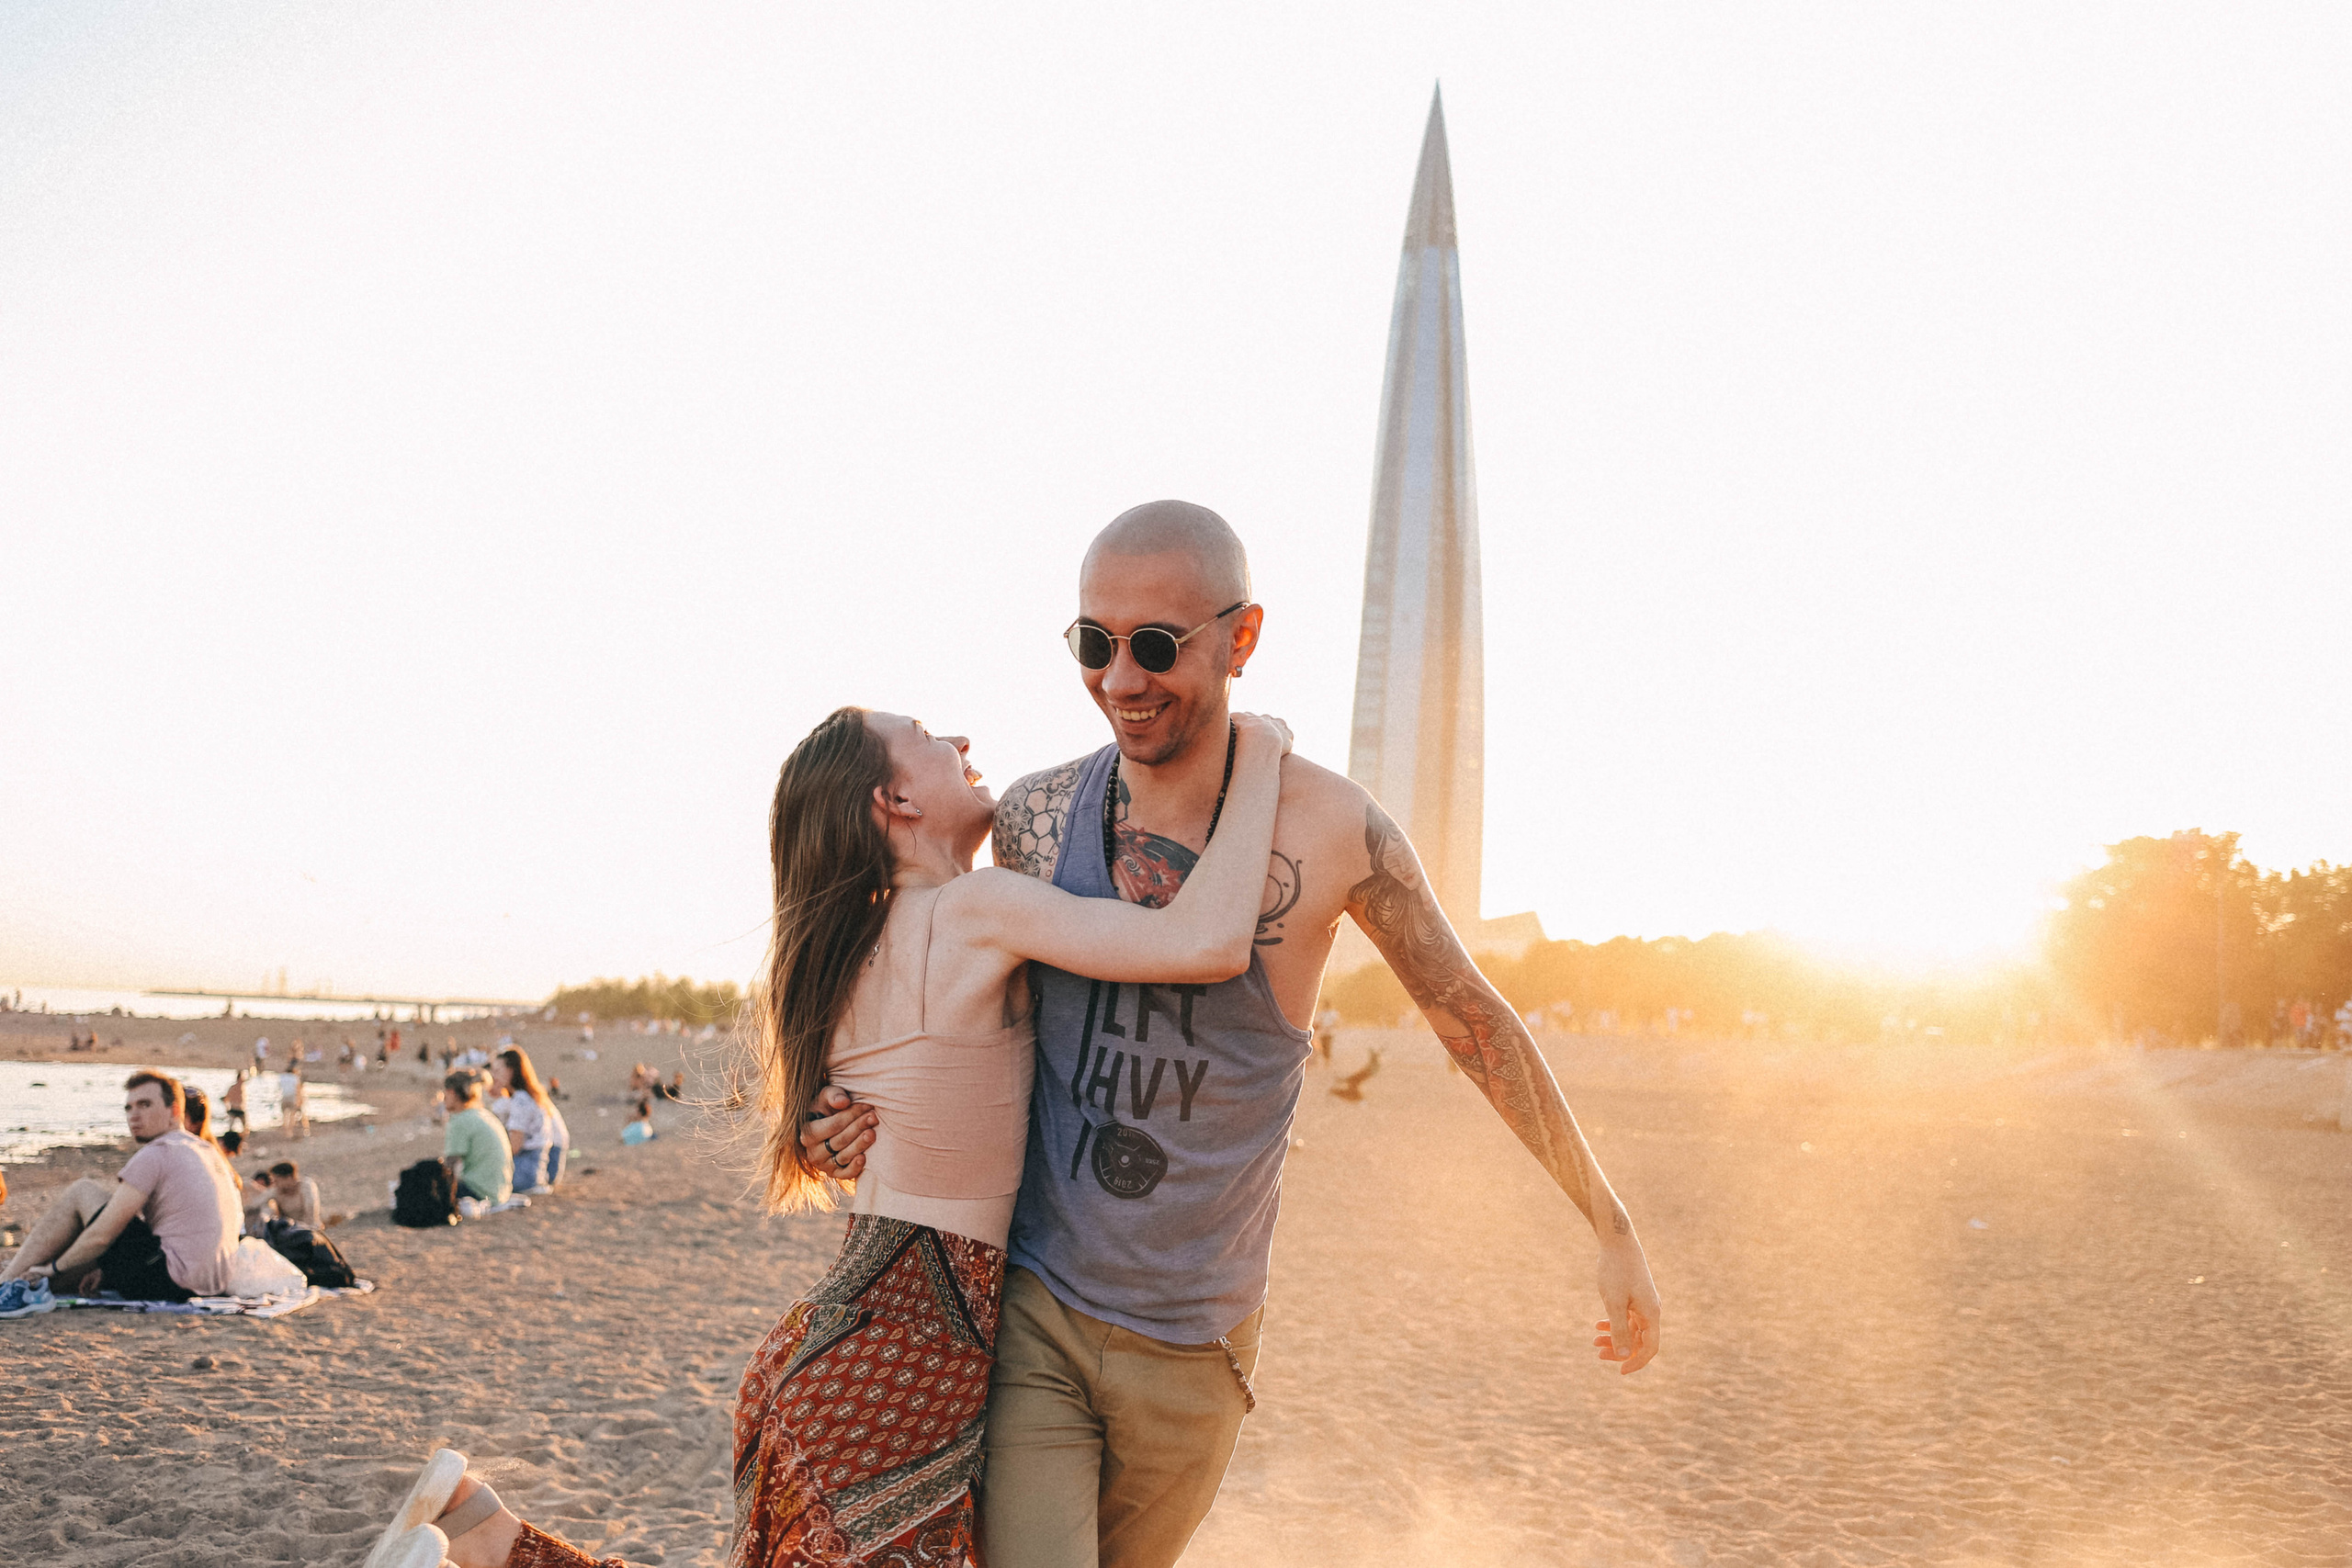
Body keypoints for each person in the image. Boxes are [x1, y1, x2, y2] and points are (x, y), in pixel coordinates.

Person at [802, 501, 1661, 1567]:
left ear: (1240, 639)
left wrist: (1609, 1223)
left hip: (1200, 1341)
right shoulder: (1030, 820)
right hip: (1037, 1312)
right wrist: (826, 1113)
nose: (1121, 680)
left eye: (1156, 646)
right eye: (1094, 645)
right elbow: (921, 981)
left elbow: (1471, 1020)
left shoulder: (1335, 830)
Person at [366, 703, 1291, 1568]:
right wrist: (1259, 754)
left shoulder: (851, 951)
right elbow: (1204, 945)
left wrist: (816, 1132)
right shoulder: (971, 910)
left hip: (840, 1351)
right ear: (893, 800)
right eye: (928, 735)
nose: (962, 740)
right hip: (901, 1364)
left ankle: (485, 1531)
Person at [0, 1071, 242, 1309]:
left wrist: (53, 1268)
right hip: (213, 1284)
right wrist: (104, 1270)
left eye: (145, 1105)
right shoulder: (208, 1151)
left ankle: (5, 1282)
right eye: (129, 1108)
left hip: (169, 1281)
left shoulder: (157, 1152)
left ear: (175, 1110)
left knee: (83, 1192)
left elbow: (102, 1235)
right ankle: (29, 1282)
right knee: (102, 1235)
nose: (134, 1116)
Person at [439, 1073, 516, 1215]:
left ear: (452, 1093)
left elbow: (450, 1165)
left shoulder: (459, 1121)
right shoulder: (482, 1114)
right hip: (500, 1191)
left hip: (480, 1192)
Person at [489, 1048, 563, 1195]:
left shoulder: (521, 1100)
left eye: (498, 1070)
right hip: (543, 1163)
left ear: (512, 1071)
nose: (493, 1076)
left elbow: (515, 1147)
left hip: (531, 1167)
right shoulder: (527, 1095)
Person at [265, 1161, 324, 1229]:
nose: (275, 1184)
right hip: (288, 1229)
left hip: (309, 1227)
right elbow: (258, 1202)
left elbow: (310, 1212)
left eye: (277, 1181)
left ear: (288, 1178)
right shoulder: (276, 1191)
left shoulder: (305, 1186)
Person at [277, 1061, 310, 1139]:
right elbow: (298, 1090)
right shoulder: (295, 1077)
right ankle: (290, 1132)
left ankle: (285, 1131)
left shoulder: (282, 1077)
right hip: (292, 1097)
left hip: (284, 1097)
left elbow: (278, 1088)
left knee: (284, 1115)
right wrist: (300, 1100)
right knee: (292, 1115)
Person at [223, 1067, 250, 1134]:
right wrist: (227, 1107)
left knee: (244, 1126)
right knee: (231, 1126)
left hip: (240, 1109)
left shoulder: (242, 1087)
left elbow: (226, 1099)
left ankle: (243, 1135)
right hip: (234, 1109)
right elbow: (226, 1098)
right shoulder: (234, 1088)